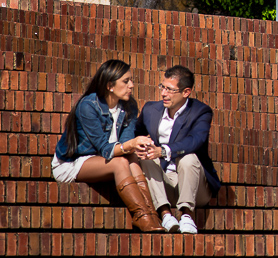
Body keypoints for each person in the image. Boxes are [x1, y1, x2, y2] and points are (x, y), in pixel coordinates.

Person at [51, 59, 166, 233]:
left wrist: (136, 144)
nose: (131, 85)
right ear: (110, 85)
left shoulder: (129, 106)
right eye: (126, 81)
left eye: (131, 80)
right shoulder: (88, 106)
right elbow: (105, 149)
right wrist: (132, 143)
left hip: (105, 158)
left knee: (133, 158)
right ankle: (141, 217)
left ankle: (151, 216)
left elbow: (125, 146)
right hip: (73, 162)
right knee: (120, 162)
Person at [136, 65, 221, 234]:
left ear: (186, 92)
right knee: (146, 155)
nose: (163, 94)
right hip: (162, 184)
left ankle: (187, 216)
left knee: (188, 157)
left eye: (170, 89)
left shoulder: (200, 112)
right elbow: (134, 135)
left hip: (194, 186)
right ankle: (165, 214)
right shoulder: (150, 110)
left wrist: (164, 150)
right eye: (162, 87)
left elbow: (196, 140)